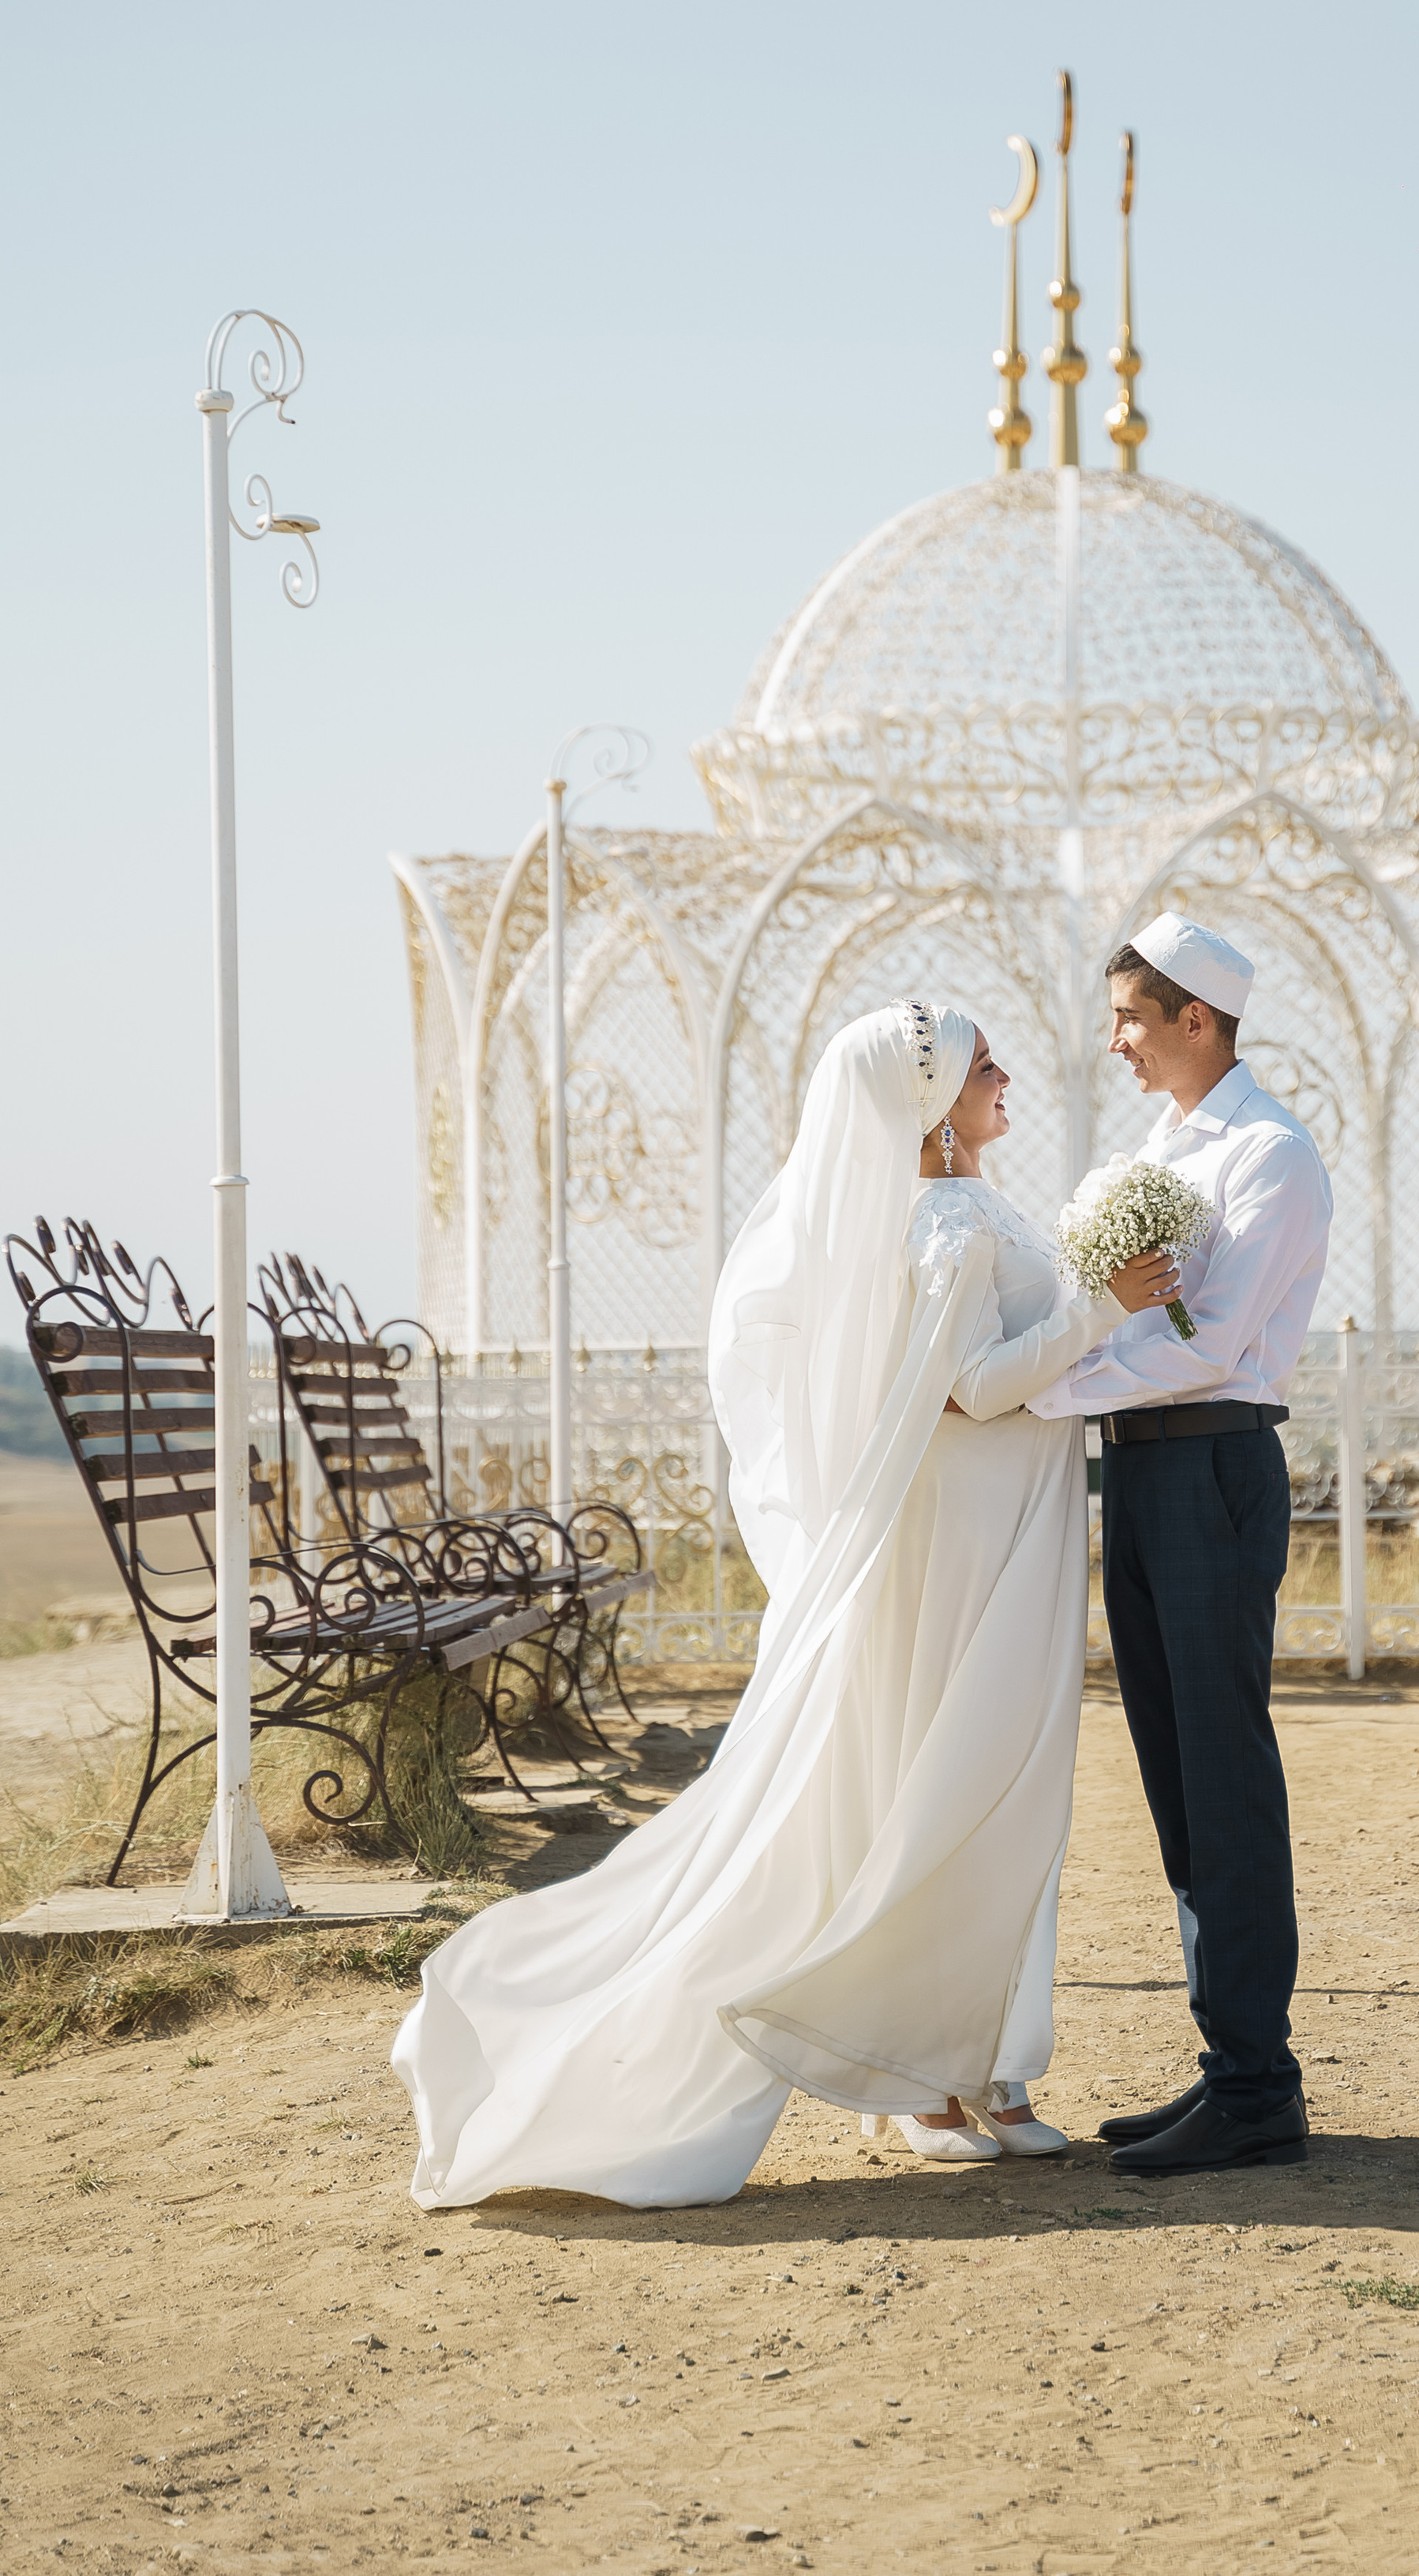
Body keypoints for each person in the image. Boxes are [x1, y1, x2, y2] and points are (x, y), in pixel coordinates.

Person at [391, 996, 1178, 2207]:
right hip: (976, 1550)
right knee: (981, 1785)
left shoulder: (952, 1209)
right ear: (934, 1106)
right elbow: (970, 1388)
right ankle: (962, 2078)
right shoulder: (953, 1218)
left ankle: (954, 2075)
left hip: (990, 1539)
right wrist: (1103, 1307)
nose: (1006, 1073)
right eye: (982, 1063)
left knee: (967, 1786)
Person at [1028, 913, 1332, 2178]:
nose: (1115, 1045)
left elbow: (1207, 1346)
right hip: (1146, 1470)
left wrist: (1040, 1385)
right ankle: (1231, 2065)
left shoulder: (1271, 1155)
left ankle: (1260, 2087)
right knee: (1173, 1774)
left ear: (1194, 1021)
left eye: (1131, 1022)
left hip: (1210, 1463)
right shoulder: (1164, 1150)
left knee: (1222, 1770)